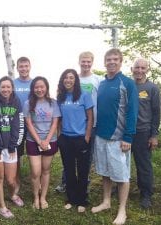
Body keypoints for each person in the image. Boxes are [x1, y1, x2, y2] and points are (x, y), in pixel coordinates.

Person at [92, 48, 138, 225]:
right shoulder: (102, 84)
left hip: (119, 139)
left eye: (115, 59)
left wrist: (128, 136)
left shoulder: (127, 83)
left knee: (121, 176)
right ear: (104, 62)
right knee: (105, 172)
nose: (112, 62)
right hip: (101, 136)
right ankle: (106, 201)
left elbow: (132, 112)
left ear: (121, 61)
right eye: (109, 59)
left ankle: (122, 210)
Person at [55, 51, 104, 193]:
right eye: (83, 61)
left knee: (85, 160)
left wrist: (88, 134)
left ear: (92, 62)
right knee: (68, 160)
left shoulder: (98, 79)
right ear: (79, 62)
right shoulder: (73, 79)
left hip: (90, 125)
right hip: (70, 129)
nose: (86, 64)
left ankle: (84, 185)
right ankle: (66, 183)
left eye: (88, 61)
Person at [0, 76, 24, 218]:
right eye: (3, 87)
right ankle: (2, 207)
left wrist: (13, 146)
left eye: (8, 87)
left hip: (10, 146)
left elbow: (18, 124)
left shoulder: (17, 101)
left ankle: (13, 195)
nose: (5, 89)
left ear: (12, 88)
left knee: (11, 180)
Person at [57, 69, 94, 213]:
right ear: (62, 80)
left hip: (81, 138)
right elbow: (58, 119)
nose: (68, 80)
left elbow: (90, 117)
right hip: (65, 139)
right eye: (65, 77)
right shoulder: (61, 97)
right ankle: (71, 198)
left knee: (83, 170)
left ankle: (82, 200)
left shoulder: (84, 95)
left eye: (71, 78)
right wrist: (59, 135)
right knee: (69, 170)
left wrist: (87, 136)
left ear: (75, 80)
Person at [23, 76, 61, 209]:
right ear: (33, 89)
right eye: (36, 87)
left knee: (46, 170)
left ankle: (43, 197)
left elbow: (55, 122)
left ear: (46, 88)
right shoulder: (28, 103)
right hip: (33, 141)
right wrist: (39, 141)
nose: (39, 89)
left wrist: (46, 141)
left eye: (42, 87)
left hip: (50, 141)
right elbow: (28, 123)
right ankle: (35, 197)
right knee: (35, 171)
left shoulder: (53, 103)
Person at [131, 58, 161, 209]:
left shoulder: (152, 88)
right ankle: (119, 186)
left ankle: (146, 194)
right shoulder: (127, 86)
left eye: (143, 68)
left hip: (143, 132)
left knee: (144, 165)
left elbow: (156, 114)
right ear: (132, 69)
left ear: (147, 70)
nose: (140, 71)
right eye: (137, 67)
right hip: (126, 132)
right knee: (122, 163)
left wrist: (154, 135)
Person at [13, 56, 33, 193]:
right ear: (17, 68)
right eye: (21, 66)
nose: (24, 69)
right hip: (16, 124)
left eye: (26, 66)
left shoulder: (35, 83)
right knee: (17, 153)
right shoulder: (12, 83)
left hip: (33, 123)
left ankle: (34, 177)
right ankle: (17, 180)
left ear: (30, 67)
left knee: (34, 153)